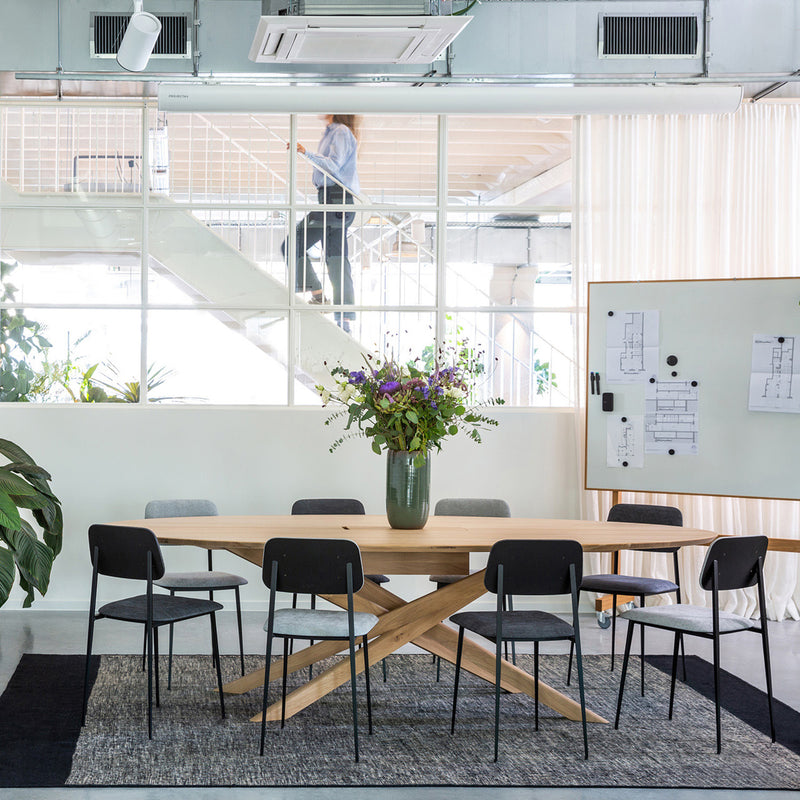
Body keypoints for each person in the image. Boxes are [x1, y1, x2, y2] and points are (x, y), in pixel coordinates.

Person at [283, 114, 360, 332]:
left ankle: (318, 296)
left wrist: (306, 153)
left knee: (292, 245)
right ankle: (344, 321)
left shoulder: (340, 131)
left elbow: (334, 166)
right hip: (332, 200)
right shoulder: (333, 132)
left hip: (336, 199)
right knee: (336, 260)